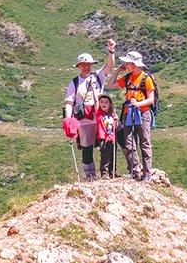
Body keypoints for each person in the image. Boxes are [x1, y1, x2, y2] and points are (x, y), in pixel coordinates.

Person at [64, 39, 116, 180]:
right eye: (83, 64)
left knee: (107, 145)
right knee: (87, 149)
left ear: (92, 65)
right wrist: (68, 120)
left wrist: (111, 51)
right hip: (85, 121)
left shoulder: (98, 76)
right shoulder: (74, 83)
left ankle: (107, 173)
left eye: (88, 64)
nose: (86, 67)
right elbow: (69, 101)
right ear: (79, 66)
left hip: (100, 118)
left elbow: (110, 65)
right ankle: (90, 176)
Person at [107, 50, 155, 181]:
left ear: (134, 64)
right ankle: (135, 171)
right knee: (129, 143)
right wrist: (118, 70)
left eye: (127, 63)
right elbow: (110, 84)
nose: (126, 65)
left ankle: (147, 173)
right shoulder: (128, 77)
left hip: (143, 113)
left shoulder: (147, 78)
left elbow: (151, 99)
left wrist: (138, 103)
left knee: (144, 142)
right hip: (128, 113)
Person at [95, 94, 119, 179]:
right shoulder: (98, 113)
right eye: (101, 102)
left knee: (113, 155)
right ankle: (104, 173)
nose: (103, 103)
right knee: (105, 155)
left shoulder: (112, 115)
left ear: (110, 104)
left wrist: (116, 118)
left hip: (112, 137)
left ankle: (113, 172)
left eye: (106, 102)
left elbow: (115, 127)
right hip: (103, 137)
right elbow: (95, 102)